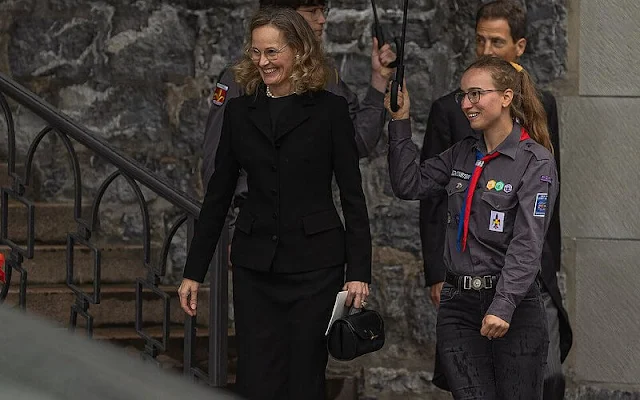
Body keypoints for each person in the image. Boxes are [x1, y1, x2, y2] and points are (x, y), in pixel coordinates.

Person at [178, 7, 372, 400]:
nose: (263, 62)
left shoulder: (330, 111)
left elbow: (353, 196)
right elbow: (218, 195)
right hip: (255, 269)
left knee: (304, 379)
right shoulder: (237, 111)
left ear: (299, 51)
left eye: (272, 52)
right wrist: (193, 272)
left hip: (316, 268)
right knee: (256, 378)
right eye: (256, 52)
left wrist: (359, 272)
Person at [419, 1, 571, 397]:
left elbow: (545, 193)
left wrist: (545, 264)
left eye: (497, 41)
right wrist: (437, 269)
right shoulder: (449, 109)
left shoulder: (542, 112)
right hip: (465, 273)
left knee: (543, 376)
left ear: (519, 46)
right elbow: (431, 198)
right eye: (480, 39)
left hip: (526, 269)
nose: (486, 49)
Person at [386, 55, 557, 399]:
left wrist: (503, 305)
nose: (466, 104)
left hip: (513, 307)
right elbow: (409, 184)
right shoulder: (461, 154)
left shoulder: (535, 161)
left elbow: (527, 243)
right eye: (463, 95)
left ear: (506, 97)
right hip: (458, 306)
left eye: (476, 94)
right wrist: (400, 121)